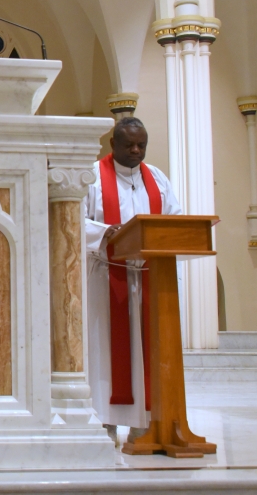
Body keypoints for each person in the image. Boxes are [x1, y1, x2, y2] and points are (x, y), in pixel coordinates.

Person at [84, 117, 182, 447]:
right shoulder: (93, 177)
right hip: (105, 278)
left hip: (149, 279)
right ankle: (106, 424)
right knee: (106, 352)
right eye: (129, 145)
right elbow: (73, 218)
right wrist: (103, 232)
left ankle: (146, 425)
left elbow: (175, 219)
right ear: (113, 144)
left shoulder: (157, 179)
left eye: (142, 145)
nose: (137, 150)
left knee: (147, 351)